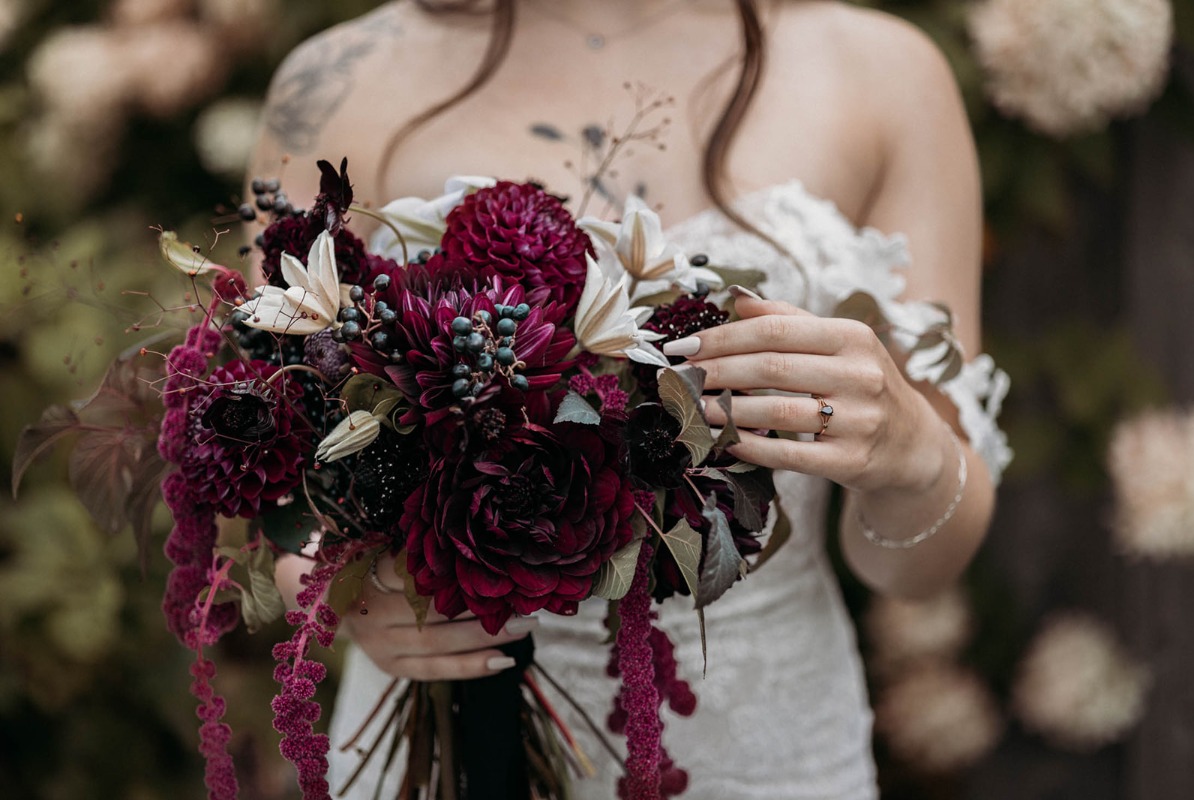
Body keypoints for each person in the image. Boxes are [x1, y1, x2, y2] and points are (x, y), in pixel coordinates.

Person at [251, 1, 1008, 797]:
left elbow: (921, 570)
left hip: (762, 742)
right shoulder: (338, 80)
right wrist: (334, 582)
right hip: (445, 745)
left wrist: (912, 458)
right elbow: (273, 452)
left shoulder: (886, 75)